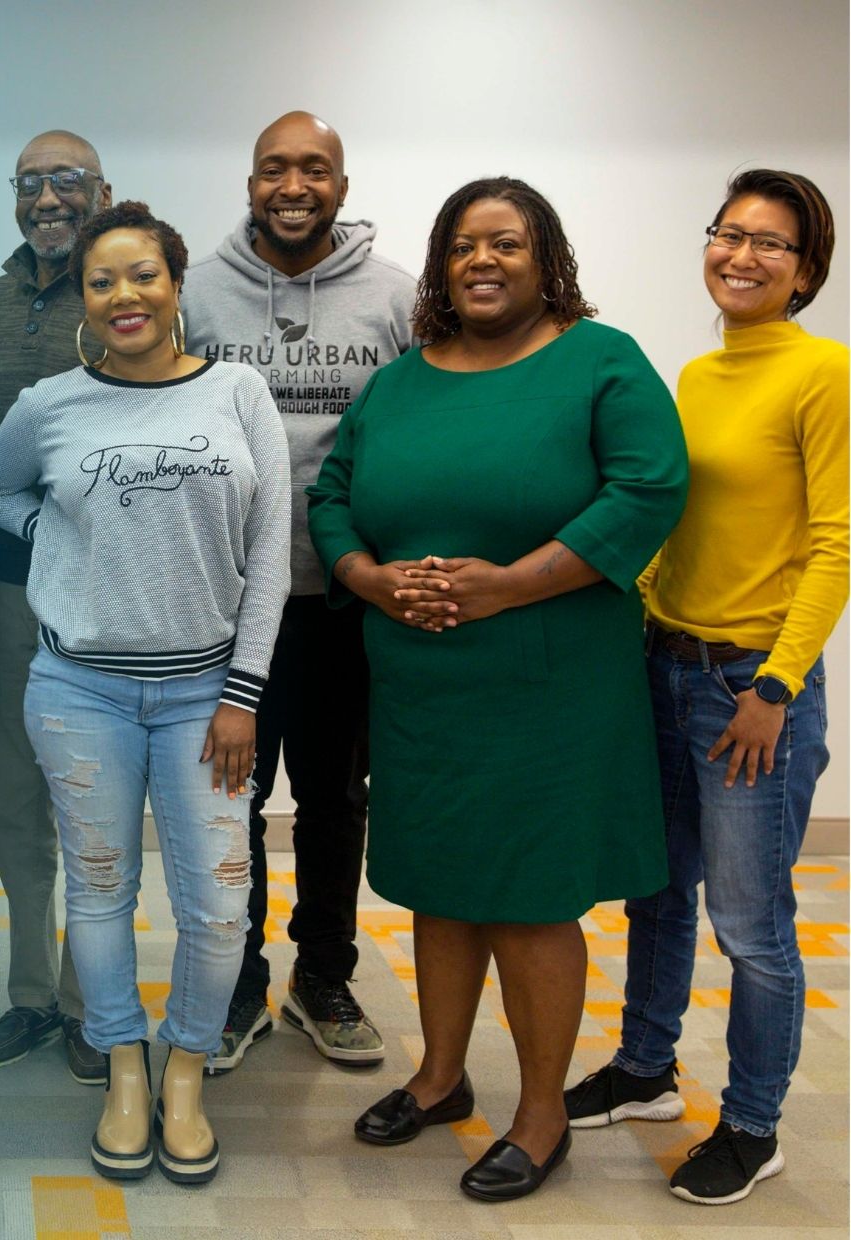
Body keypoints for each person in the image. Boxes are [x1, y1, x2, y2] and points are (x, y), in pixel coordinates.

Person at [308, 177, 688, 1202]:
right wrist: (365, 577)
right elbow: (332, 493)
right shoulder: (399, 381)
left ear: (543, 258)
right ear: (440, 265)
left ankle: (539, 1111)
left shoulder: (597, 362)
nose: (482, 261)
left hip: (548, 684)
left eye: (505, 244)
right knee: (437, 882)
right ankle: (436, 1076)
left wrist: (510, 585)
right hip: (424, 685)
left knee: (525, 898)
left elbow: (650, 485)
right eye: (464, 246)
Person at [0, 201, 292, 1185]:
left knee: (217, 904)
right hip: (80, 693)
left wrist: (243, 693)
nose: (123, 295)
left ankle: (185, 1068)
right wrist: (61, 545)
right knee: (101, 890)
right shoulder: (47, 404)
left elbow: (271, 552)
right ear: (83, 296)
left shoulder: (237, 393)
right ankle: (122, 1063)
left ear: (173, 282)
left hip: (208, 696)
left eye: (141, 275)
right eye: (101, 280)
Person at [564, 169, 846, 1207]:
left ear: (804, 270)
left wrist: (775, 682)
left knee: (749, 920)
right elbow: (676, 522)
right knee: (655, 887)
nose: (740, 255)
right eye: (727, 233)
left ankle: (752, 1122)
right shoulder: (694, 373)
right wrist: (629, 611)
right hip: (663, 660)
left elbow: (834, 544)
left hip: (748, 688)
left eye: (769, 243)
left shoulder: (823, 374)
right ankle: (644, 1069)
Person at [182, 110, 415, 1071]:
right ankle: (238, 979)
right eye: (273, 168)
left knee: (332, 798)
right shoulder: (192, 294)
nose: (293, 185)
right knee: (226, 803)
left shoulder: (397, 298)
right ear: (249, 185)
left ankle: (322, 973)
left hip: (341, 603)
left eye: (313, 169)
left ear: (342, 188)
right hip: (224, 604)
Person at [0, 130, 111, 1084]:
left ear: (103, 192)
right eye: (31, 184)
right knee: (18, 803)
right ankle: (28, 996)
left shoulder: (124, 294)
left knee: (88, 806)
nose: (48, 199)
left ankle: (85, 1001)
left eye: (67, 181)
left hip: (105, 599)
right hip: (13, 594)